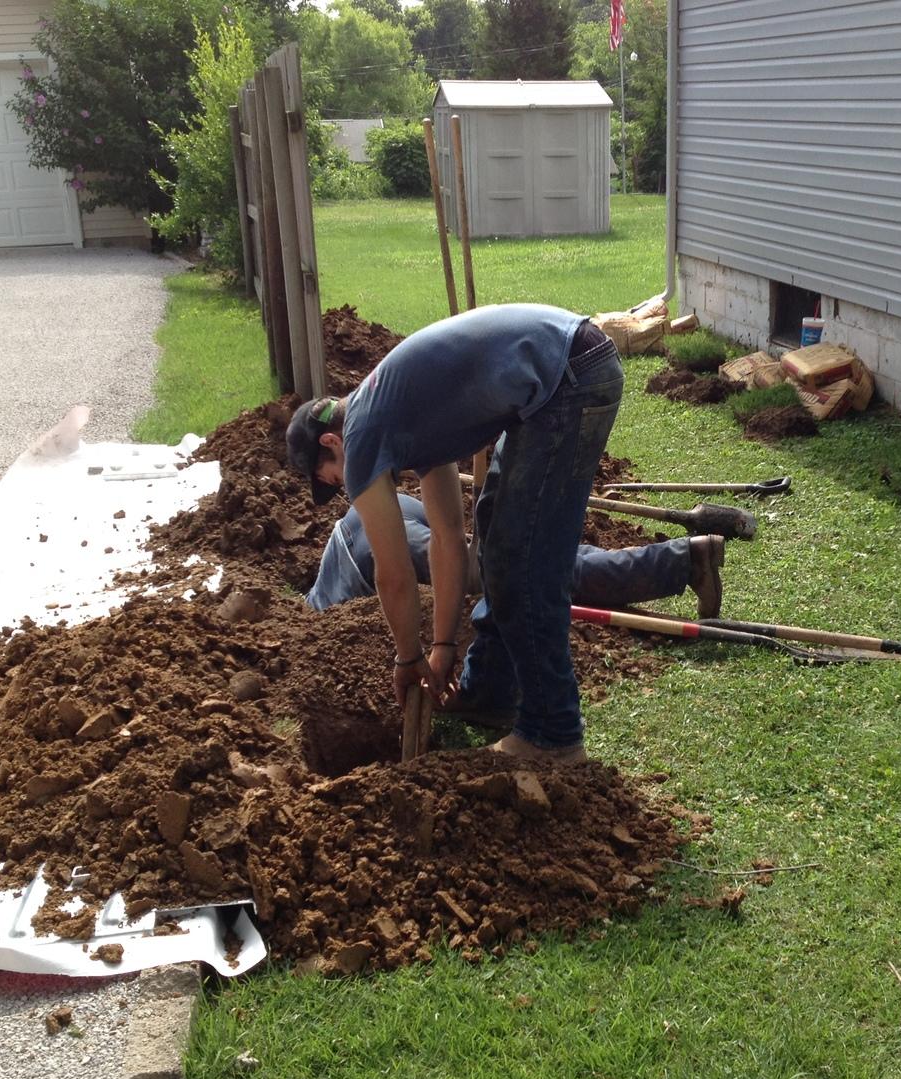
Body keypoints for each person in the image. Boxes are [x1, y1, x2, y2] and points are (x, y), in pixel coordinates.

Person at [288, 304, 624, 762]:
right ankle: (491, 691)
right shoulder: (397, 413)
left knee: (523, 560)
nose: (347, 489)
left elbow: (394, 574)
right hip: (563, 371)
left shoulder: (363, 436)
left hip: (565, 378)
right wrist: (443, 645)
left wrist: (408, 657)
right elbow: (449, 538)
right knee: (495, 536)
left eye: (334, 479)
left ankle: (553, 732)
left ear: (331, 442)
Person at [304, 493, 725, 621]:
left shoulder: (318, 610)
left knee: (527, 575)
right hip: (380, 515)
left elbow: (393, 586)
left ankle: (684, 561)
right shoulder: (317, 601)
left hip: (366, 548)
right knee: (529, 561)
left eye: (326, 476)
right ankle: (680, 559)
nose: (335, 481)